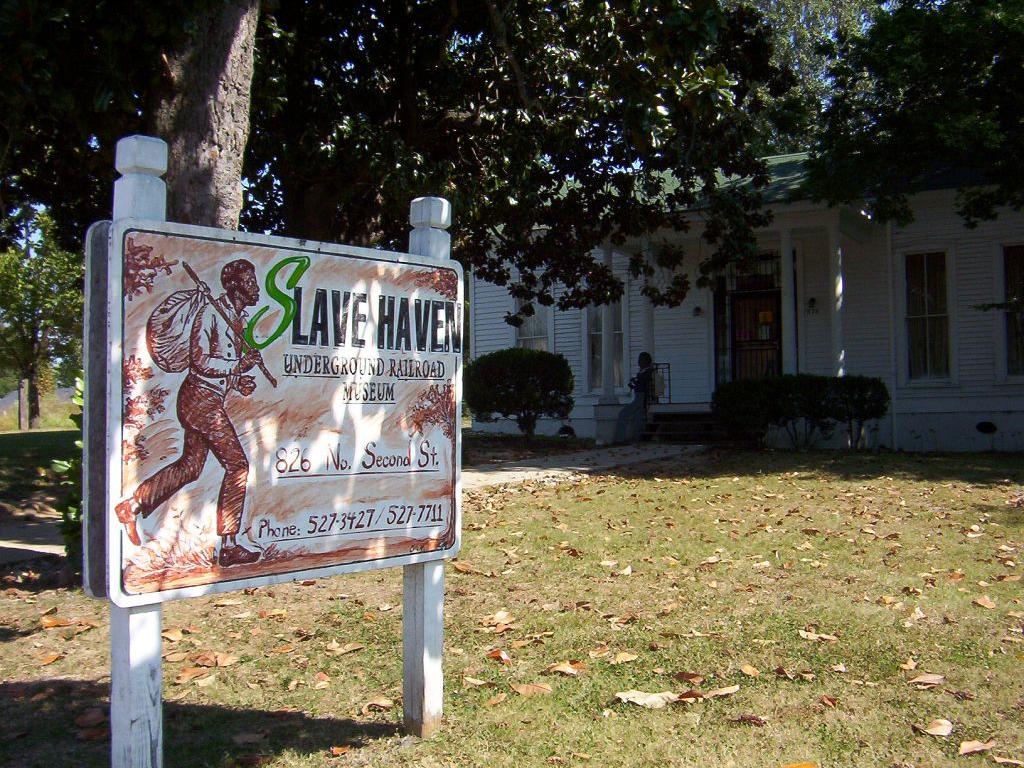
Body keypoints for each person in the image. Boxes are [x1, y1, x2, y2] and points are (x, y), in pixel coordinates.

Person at [115, 258, 264, 568]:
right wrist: (237, 366)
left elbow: (219, 366)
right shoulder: (212, 312)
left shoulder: (237, 319)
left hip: (208, 398)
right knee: (237, 465)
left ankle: (134, 504)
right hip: (199, 400)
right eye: (250, 282)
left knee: (190, 467)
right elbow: (200, 361)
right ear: (236, 286)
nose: (255, 288)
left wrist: (238, 380)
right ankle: (230, 544)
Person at [613, 351, 656, 443]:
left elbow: (644, 383)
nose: (638, 362)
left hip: (642, 397)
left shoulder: (649, 372)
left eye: (641, 360)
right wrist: (634, 382)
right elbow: (638, 382)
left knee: (623, 414)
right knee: (638, 418)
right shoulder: (642, 372)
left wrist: (637, 380)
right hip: (638, 396)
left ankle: (619, 439)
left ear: (646, 361)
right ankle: (638, 439)